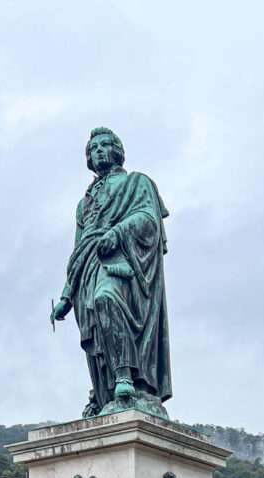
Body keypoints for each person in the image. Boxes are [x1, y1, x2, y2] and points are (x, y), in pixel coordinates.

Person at [50, 127, 172, 418]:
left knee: (107, 298)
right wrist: (67, 294)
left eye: (105, 145)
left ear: (117, 151)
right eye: (93, 149)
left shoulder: (136, 183)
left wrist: (118, 233)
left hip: (122, 263)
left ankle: (125, 378)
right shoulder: (83, 204)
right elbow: (78, 249)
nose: (99, 151)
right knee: (97, 328)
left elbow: (148, 219)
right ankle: (104, 391)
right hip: (87, 268)